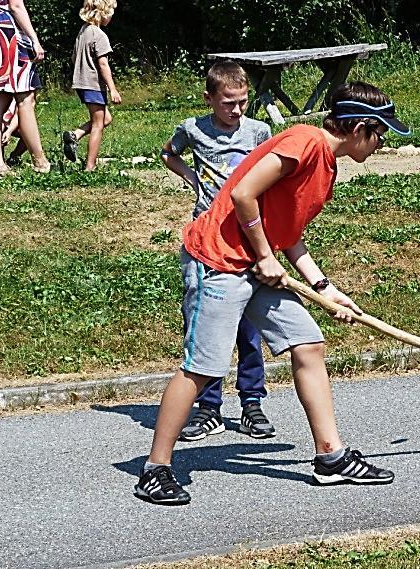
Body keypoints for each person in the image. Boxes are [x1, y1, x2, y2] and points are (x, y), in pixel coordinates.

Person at [134, 81, 411, 505]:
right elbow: (243, 194)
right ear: (359, 128)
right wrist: (264, 258)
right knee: (204, 367)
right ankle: (155, 468)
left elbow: (290, 235)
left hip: (258, 265)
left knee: (309, 345)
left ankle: (330, 457)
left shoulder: (327, 167)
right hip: (219, 260)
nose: (381, 144)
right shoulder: (303, 141)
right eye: (380, 133)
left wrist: (326, 288)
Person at [160, 61, 275, 441]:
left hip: (245, 237)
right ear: (209, 99)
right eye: (228, 103)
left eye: (242, 102)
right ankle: (208, 407)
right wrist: (192, 178)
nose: (237, 110)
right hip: (206, 241)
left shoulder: (259, 132)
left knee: (249, 325)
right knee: (206, 322)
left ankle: (252, 402)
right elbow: (169, 153)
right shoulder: (193, 129)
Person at [0, 0, 51, 176]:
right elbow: (16, 6)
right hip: (9, 36)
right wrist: (35, 40)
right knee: (26, 99)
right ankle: (40, 160)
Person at [62, 0, 121, 171]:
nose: (111, 16)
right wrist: (113, 89)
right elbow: (103, 65)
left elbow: (74, 58)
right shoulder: (99, 35)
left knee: (105, 119)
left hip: (81, 83)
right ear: (103, 12)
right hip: (93, 84)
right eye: (111, 12)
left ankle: (76, 134)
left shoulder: (83, 32)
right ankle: (90, 167)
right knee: (98, 125)